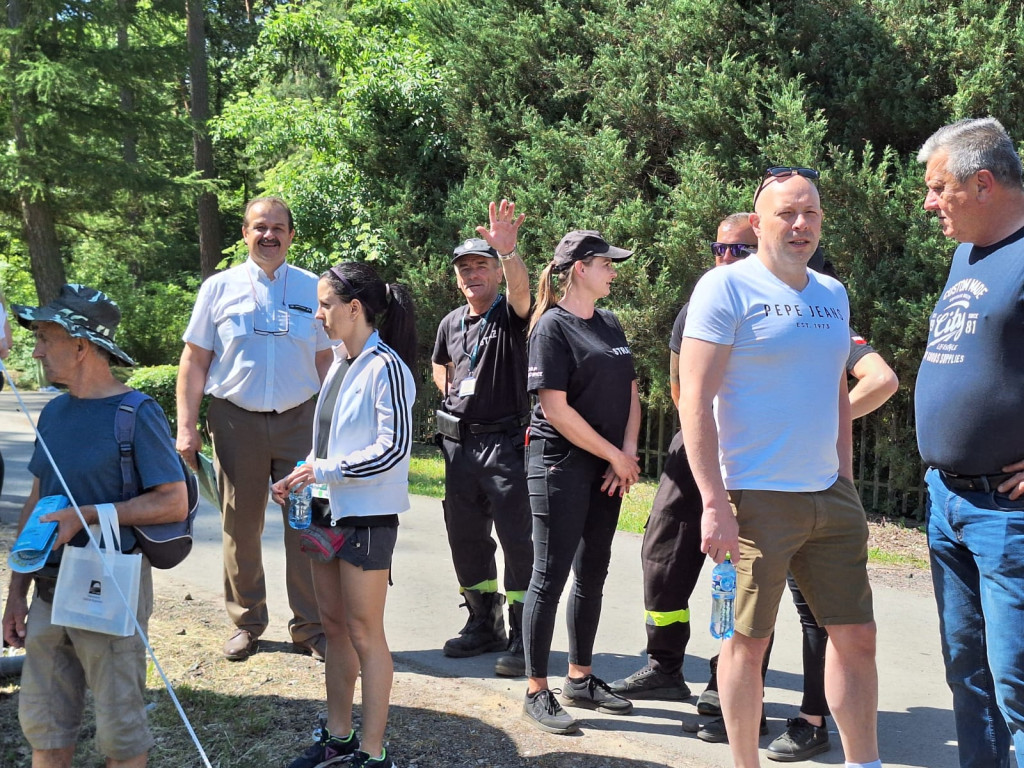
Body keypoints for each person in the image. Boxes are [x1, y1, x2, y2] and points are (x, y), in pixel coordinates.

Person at [680, 168, 881, 768]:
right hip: (755, 497)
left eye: (811, 214)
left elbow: (835, 396)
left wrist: (844, 481)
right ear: (758, 219)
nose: (801, 225)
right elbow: (693, 399)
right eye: (788, 213)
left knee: (857, 638)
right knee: (748, 641)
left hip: (829, 495)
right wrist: (714, 502)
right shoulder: (725, 289)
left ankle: (863, 761)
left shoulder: (832, 293)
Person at [2, 284, 188, 768]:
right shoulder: (55, 412)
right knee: (45, 729)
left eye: (45, 337)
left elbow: (173, 501)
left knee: (120, 735)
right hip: (46, 591)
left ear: (81, 345)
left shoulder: (136, 413)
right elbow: (38, 503)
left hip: (110, 590)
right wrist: (15, 591)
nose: (37, 349)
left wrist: (87, 515)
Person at [176, 197, 333, 661]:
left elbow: (328, 359)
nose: (270, 235)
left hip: (301, 422)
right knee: (240, 528)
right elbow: (195, 360)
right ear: (244, 234)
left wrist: (334, 425)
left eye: (279, 228)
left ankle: (310, 627)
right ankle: (247, 622)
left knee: (305, 525)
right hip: (234, 420)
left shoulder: (314, 289)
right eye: (260, 227)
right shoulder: (218, 289)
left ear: (291, 235)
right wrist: (186, 427)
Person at [611, 213, 759, 704]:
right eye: (719, 249)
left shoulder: (774, 305)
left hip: (751, 454)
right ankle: (664, 666)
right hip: (694, 445)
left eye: (738, 250)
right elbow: (678, 383)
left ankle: (725, 682)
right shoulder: (699, 304)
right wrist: (699, 432)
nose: (724, 258)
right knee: (662, 555)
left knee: (741, 568)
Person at [273, 262, 416, 768]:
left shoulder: (388, 368)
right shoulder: (337, 363)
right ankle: (338, 737)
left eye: (326, 304)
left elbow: (394, 449)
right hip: (323, 513)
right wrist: (299, 476)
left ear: (355, 309)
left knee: (363, 632)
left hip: (368, 518)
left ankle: (373, 753)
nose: (318, 315)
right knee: (332, 625)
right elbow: (327, 446)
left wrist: (322, 471)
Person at [915, 117, 1024, 768]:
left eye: (938, 189)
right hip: (945, 503)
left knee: (1017, 685)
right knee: (968, 675)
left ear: (982, 184)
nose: (930, 203)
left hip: (1005, 513)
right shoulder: (967, 253)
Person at [519, 230, 641, 735]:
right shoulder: (550, 327)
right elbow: (555, 409)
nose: (614, 271)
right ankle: (536, 690)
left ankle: (581, 676)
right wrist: (613, 453)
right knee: (550, 575)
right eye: (606, 264)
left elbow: (632, 392)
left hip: (607, 468)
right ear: (580, 269)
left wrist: (627, 454)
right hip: (559, 463)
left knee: (594, 572)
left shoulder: (610, 323)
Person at [431, 199, 534, 676]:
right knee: (465, 537)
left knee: (517, 540)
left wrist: (509, 252)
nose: (471, 274)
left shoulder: (512, 314)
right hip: (459, 446)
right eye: (464, 268)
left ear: (495, 273)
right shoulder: (451, 322)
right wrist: (451, 390)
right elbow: (441, 363)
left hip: (507, 444)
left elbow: (523, 295)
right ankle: (483, 621)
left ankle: (522, 633)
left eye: (481, 265)